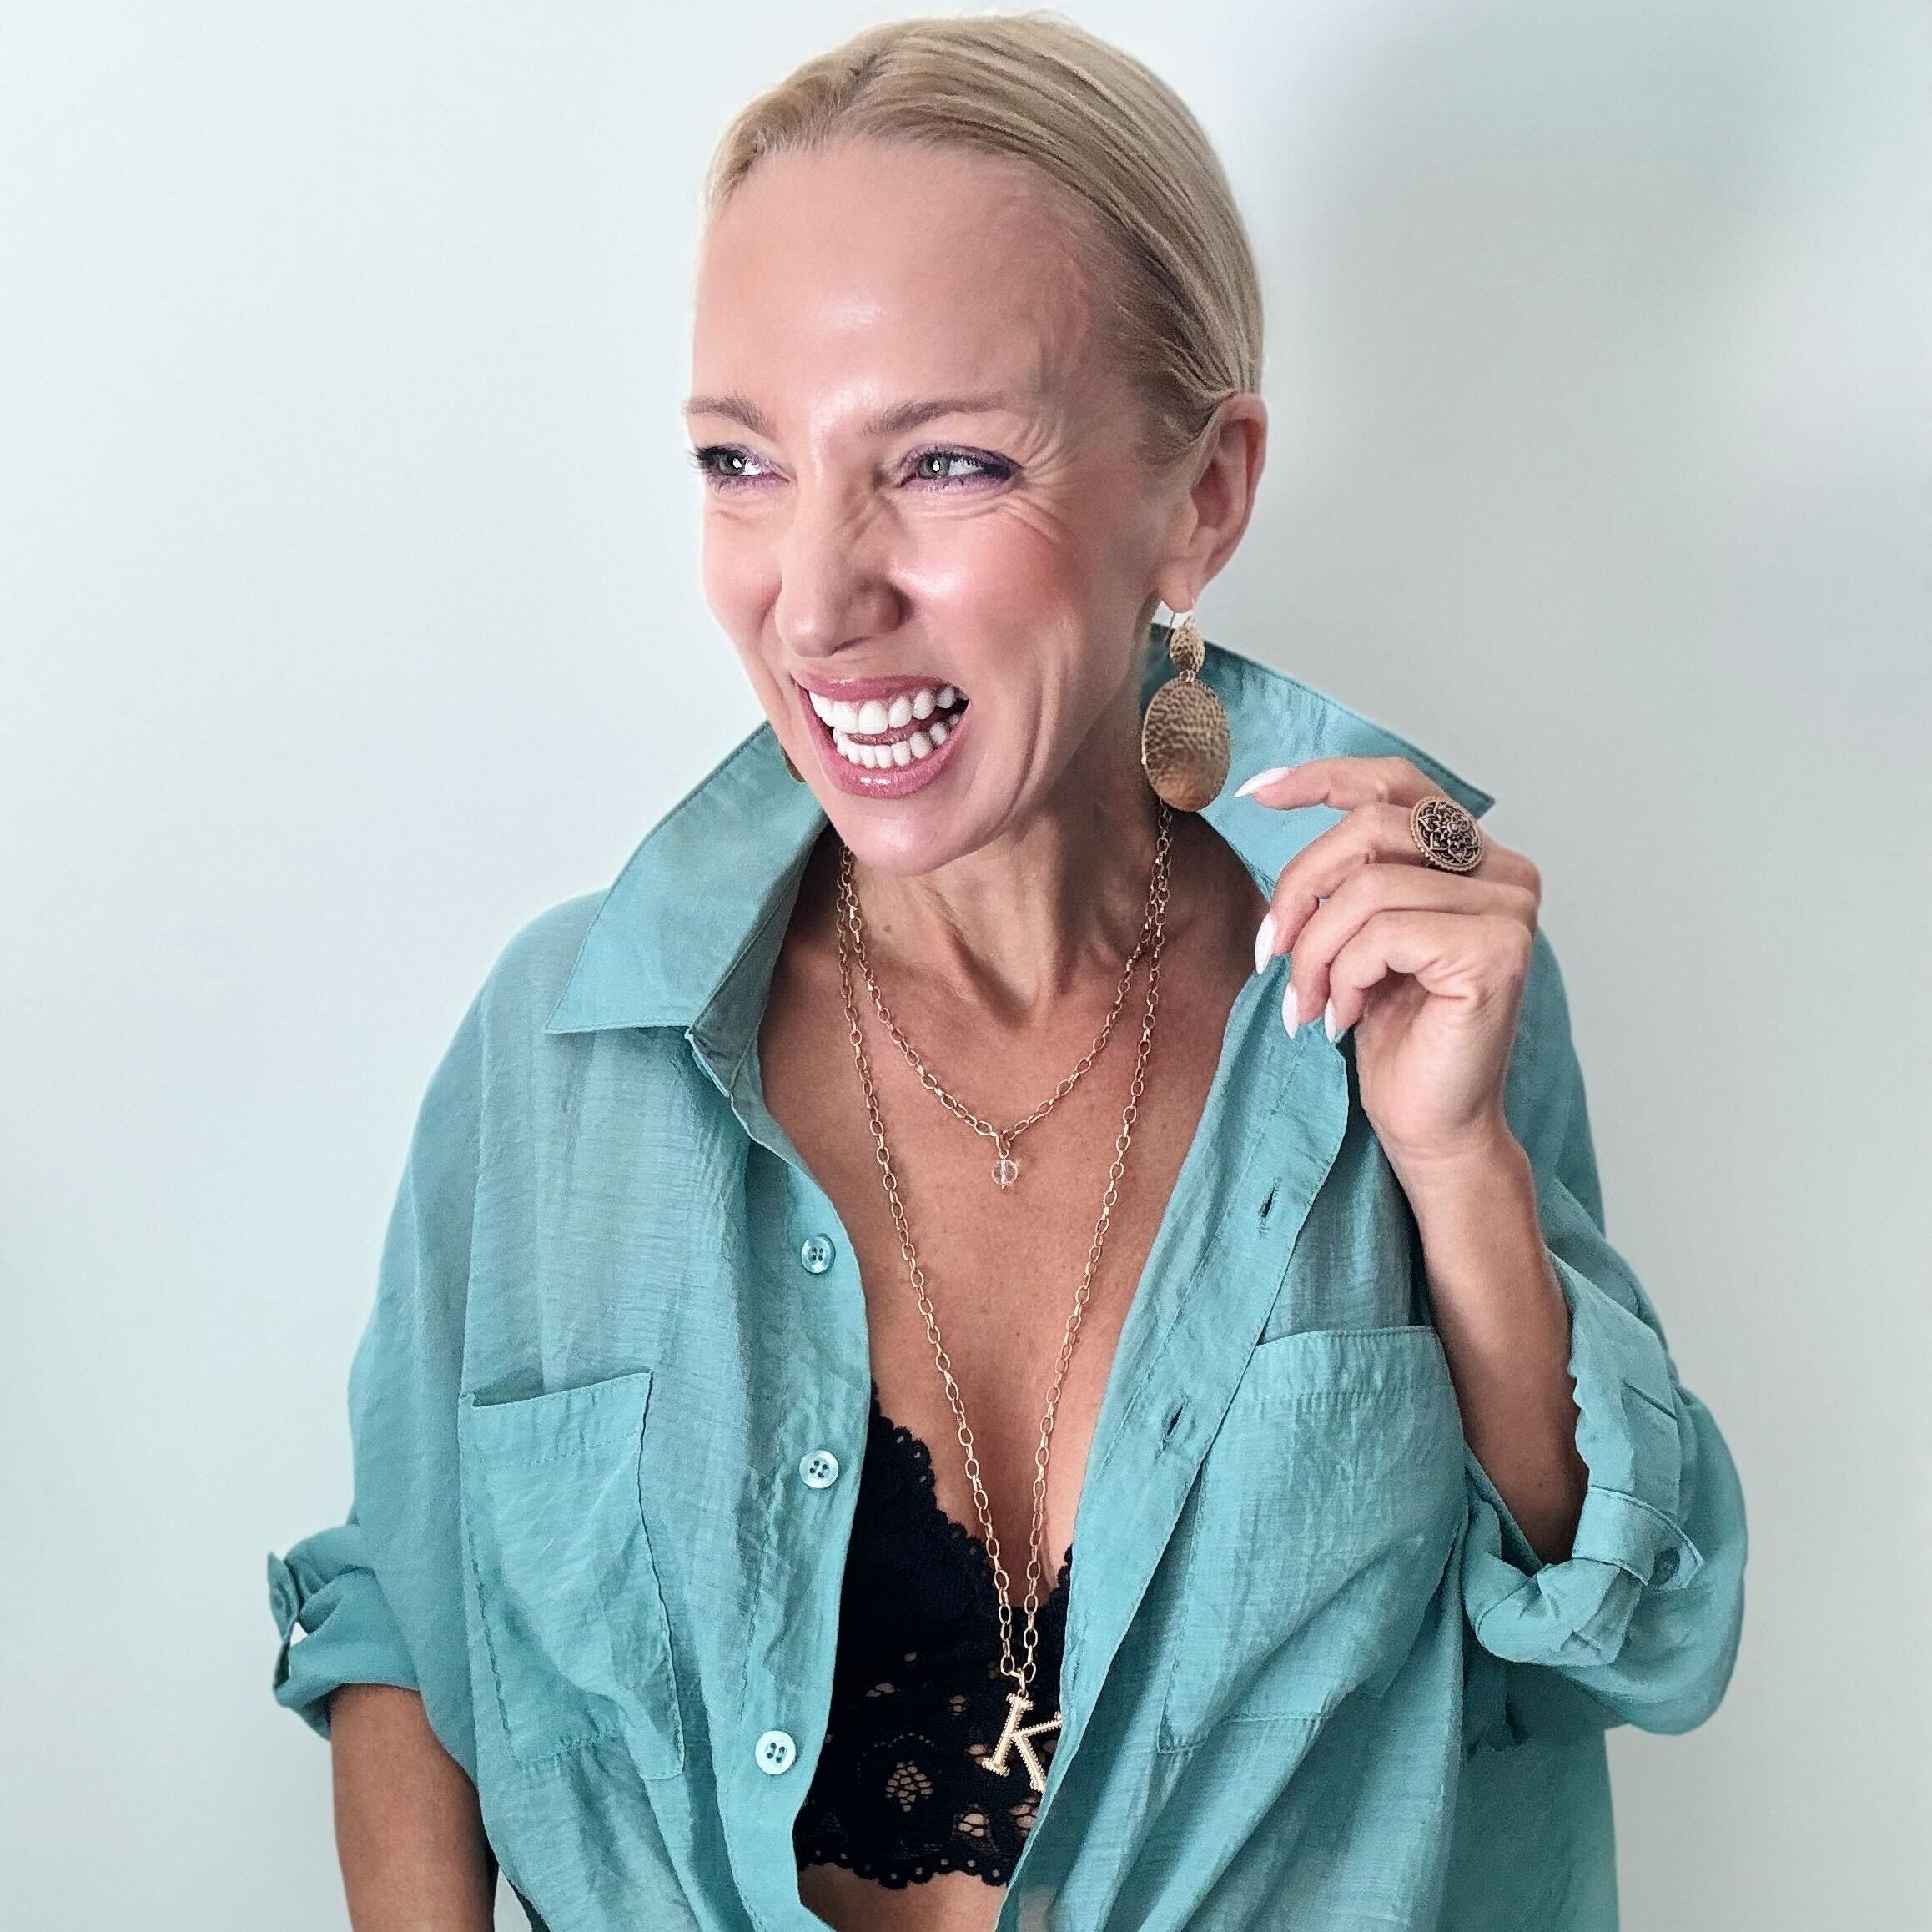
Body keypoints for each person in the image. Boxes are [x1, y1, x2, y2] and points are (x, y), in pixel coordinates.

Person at [265, 18, 1746, 1932]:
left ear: (1201, 497)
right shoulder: (563, 1057)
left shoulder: (1392, 1001)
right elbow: (411, 1614)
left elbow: (1633, 1643)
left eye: (945, 463)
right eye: (741, 462)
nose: (815, 602)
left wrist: (1455, 1166)